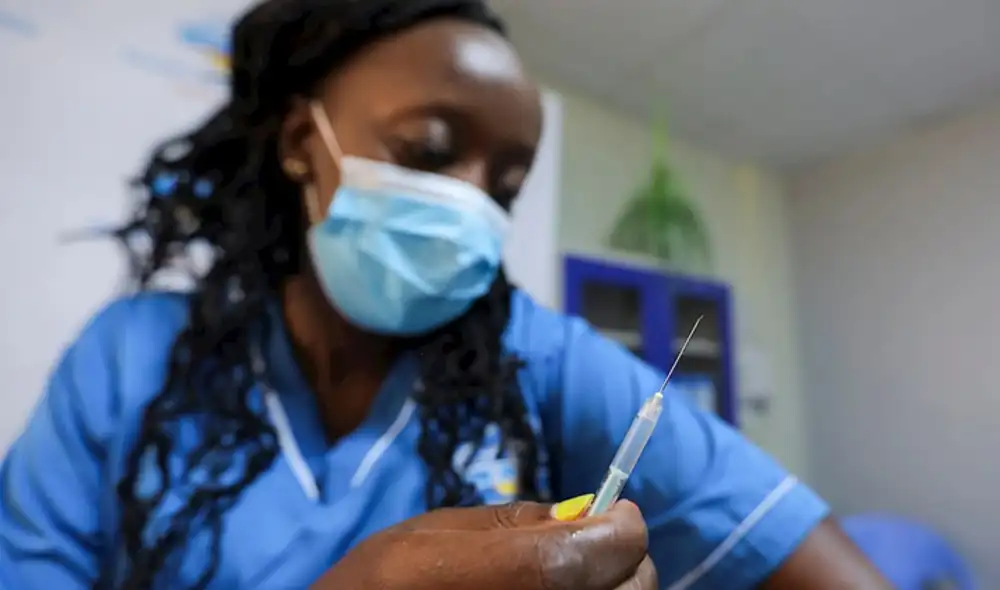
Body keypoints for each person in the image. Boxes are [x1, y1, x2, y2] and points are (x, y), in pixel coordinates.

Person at [0, 0, 892, 588]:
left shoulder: (541, 362)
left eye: (504, 188)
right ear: (300, 142)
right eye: (428, 153)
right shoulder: (127, 359)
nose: (470, 203)